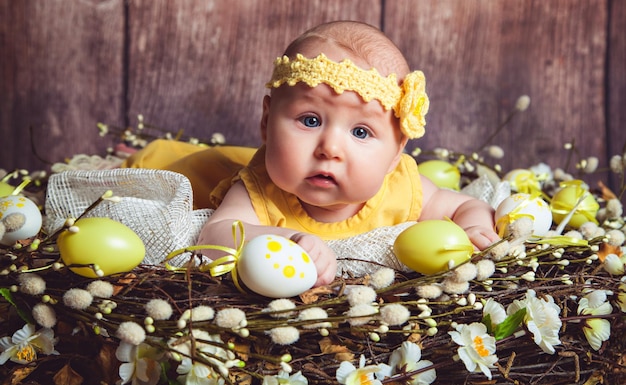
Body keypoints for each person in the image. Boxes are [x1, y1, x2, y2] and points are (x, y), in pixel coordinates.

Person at [124, 21, 500, 287]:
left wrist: (474, 229)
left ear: (394, 155)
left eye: (360, 131)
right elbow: (217, 232)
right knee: (188, 168)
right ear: (267, 121)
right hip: (206, 169)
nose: (330, 148)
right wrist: (283, 240)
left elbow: (464, 206)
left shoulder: (403, 186)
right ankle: (141, 157)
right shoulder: (260, 187)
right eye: (310, 120)